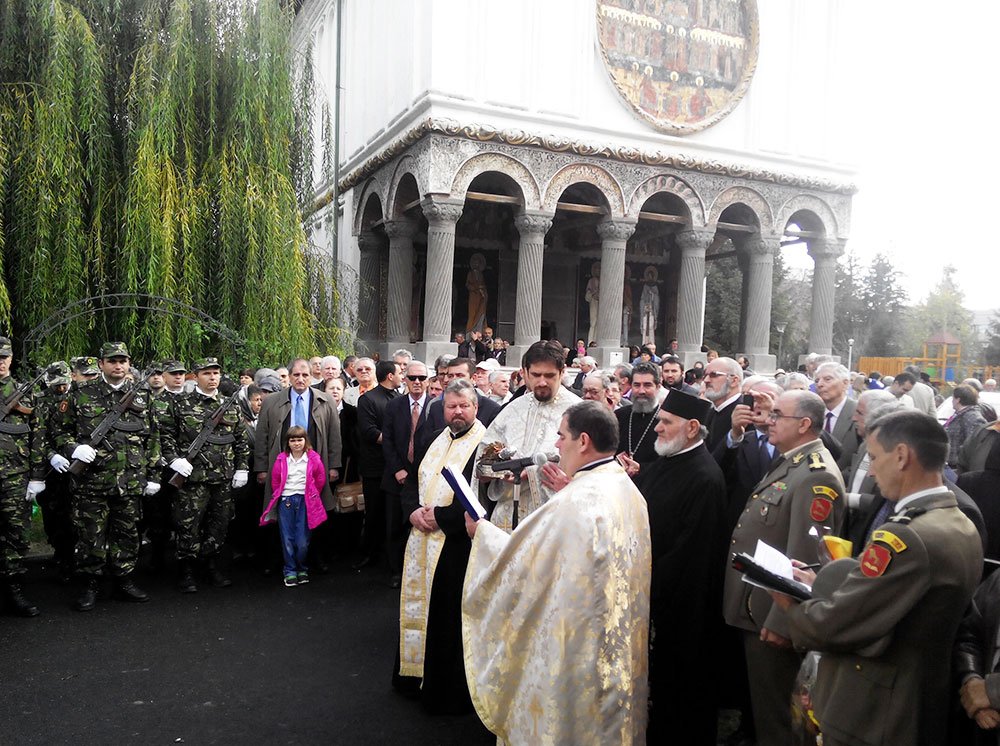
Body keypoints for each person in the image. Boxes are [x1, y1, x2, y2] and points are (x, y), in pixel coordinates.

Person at [772, 409, 982, 746]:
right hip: (913, 701)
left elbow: (833, 625)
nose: (870, 468)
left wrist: (790, 602)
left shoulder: (908, 536)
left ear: (901, 456)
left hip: (876, 713)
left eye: (873, 457)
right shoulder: (958, 521)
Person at [463, 401, 651, 744]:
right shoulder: (624, 488)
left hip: (577, 652)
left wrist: (483, 534)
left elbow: (526, 565)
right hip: (614, 651)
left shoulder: (576, 503)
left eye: (561, 435)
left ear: (583, 441)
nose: (556, 444)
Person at [722, 389, 846, 746]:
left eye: (778, 415)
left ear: (804, 424)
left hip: (774, 616)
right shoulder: (792, 460)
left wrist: (783, 623)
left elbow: (807, 559)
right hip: (759, 606)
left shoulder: (815, 476)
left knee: (778, 719)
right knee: (765, 712)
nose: (769, 420)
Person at [635, 389, 727, 744]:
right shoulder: (668, 462)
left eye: (664, 422)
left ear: (691, 428)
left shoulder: (704, 477)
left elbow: (689, 555)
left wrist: (645, 585)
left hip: (681, 609)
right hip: (658, 597)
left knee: (679, 701)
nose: (656, 428)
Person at [396, 379, 486, 714]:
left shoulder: (485, 442)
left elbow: (480, 500)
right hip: (421, 539)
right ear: (443, 409)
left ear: (475, 407)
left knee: (446, 617)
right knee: (418, 609)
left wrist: (441, 518)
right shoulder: (433, 439)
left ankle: (442, 691)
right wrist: (412, 513)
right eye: (452, 406)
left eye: (464, 405)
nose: (458, 412)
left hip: (455, 545)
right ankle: (412, 678)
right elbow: (411, 481)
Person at [53, 342, 159, 611]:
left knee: (127, 532)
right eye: (112, 361)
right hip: (92, 481)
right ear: (101, 364)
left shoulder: (141, 396)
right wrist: (74, 448)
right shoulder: (81, 395)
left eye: (123, 360)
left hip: (130, 480)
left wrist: (154, 475)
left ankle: (124, 580)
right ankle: (91, 583)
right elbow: (59, 432)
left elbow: (153, 437)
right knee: (91, 534)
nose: (118, 365)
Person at [159, 357, 249, 592]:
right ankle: (186, 570)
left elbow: (240, 440)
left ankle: (211, 565)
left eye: (216, 373)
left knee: (218, 524)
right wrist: (174, 461)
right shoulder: (181, 404)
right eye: (207, 373)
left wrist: (242, 468)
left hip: (223, 478)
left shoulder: (230, 405)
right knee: (187, 525)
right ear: (196, 376)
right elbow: (165, 437)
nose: (212, 378)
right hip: (192, 479)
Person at [476, 340, 580, 532]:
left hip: (552, 518)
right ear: (524, 372)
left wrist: (534, 472)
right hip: (505, 515)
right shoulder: (513, 409)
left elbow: (587, 468)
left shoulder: (579, 411)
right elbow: (483, 458)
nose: (542, 382)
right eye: (536, 375)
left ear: (562, 372)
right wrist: (501, 471)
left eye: (549, 375)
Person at [254, 357, 341, 564]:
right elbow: (262, 436)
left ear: (312, 376)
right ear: (289, 377)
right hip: (283, 464)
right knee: (280, 512)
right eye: (296, 375)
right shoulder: (272, 401)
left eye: (305, 375)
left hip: (314, 464)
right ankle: (279, 560)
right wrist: (261, 468)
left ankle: (314, 559)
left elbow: (334, 436)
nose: (301, 379)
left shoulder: (325, 400)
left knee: (315, 508)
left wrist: (334, 465)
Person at [0, 338, 46, 617]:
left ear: (12, 358)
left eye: (4, 356)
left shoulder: (25, 393)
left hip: (15, 477)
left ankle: (14, 591)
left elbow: (37, 438)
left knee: (15, 536)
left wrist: (37, 476)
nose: (0, 362)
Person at [380, 360, 430, 588]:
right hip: (396, 477)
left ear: (428, 381)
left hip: (425, 479)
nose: (417, 382)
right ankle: (395, 572)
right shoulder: (394, 406)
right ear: (405, 380)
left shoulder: (437, 407)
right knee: (393, 527)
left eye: (422, 378)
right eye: (412, 378)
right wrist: (397, 469)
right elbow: (387, 441)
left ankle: (420, 573)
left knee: (421, 526)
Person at [260, 426, 328, 587]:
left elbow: (320, 478)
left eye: (299, 439)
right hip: (286, 501)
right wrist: (282, 495)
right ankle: (290, 570)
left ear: (306, 441)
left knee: (303, 539)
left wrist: (312, 494)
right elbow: (275, 480)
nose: (296, 443)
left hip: (305, 501)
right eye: (293, 440)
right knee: (287, 538)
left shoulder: (313, 458)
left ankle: (302, 567)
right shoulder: (281, 459)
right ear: (288, 442)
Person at [353, 359, 400, 573]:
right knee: (373, 513)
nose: (403, 376)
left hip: (394, 468)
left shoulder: (399, 399)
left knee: (392, 516)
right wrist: (393, 442)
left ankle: (388, 556)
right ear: (390, 376)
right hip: (374, 468)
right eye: (400, 373)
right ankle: (369, 554)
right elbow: (368, 431)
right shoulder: (368, 400)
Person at [615, 361, 662, 477]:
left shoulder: (667, 420)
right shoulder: (619, 415)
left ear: (658, 387)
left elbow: (672, 464)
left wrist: (642, 468)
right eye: (637, 385)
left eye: (647, 385)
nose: (641, 391)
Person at [814, 361, 862, 471]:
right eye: (817, 380)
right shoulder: (810, 414)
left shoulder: (859, 413)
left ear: (845, 383)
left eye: (827, 379)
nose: (820, 384)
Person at [703, 356, 743, 453]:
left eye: (714, 375)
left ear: (734, 381)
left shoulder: (744, 412)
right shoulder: (711, 412)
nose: (706, 380)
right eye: (705, 375)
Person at [948, 384, 988, 468]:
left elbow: (974, 445)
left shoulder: (972, 417)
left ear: (958, 400)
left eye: (953, 398)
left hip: (960, 467)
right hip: (953, 464)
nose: (952, 401)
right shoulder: (960, 415)